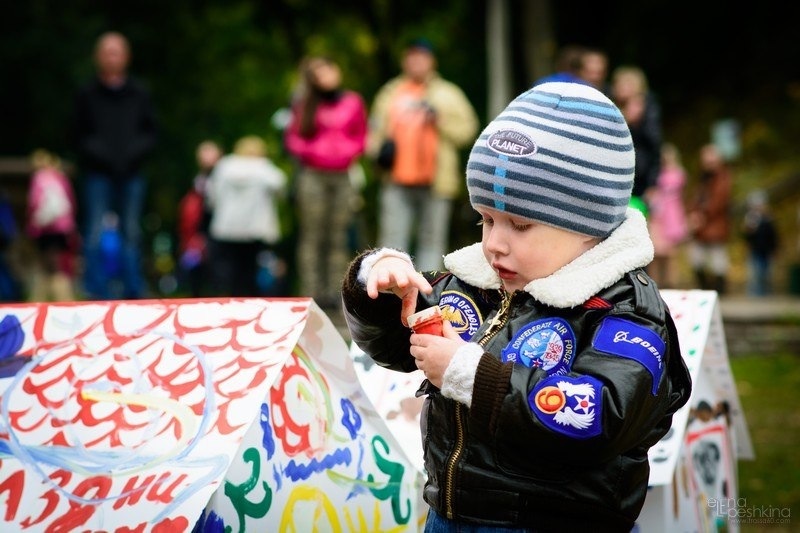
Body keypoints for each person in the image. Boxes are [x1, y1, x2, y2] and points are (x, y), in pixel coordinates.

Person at [341, 82, 692, 531]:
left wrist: (472, 374)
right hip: (449, 515)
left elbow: (601, 415)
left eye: (520, 225)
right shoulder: (476, 283)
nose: (493, 244)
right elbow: (390, 345)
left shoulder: (625, 309)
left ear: (590, 224)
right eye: (485, 219)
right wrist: (377, 281)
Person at [369, 38, 479, 271]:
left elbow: (468, 129)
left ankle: (425, 296)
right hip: (396, 179)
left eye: (422, 56)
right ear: (404, 61)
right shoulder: (390, 92)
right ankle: (390, 296)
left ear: (432, 61)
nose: (417, 61)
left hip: (436, 181)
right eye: (412, 56)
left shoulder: (449, 93)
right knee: (391, 242)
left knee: (432, 242)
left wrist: (440, 121)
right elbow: (374, 132)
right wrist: (377, 154)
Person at [72, 31, 158, 300]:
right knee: (94, 231)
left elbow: (151, 133)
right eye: (107, 51)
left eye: (116, 51)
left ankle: (134, 288)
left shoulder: (140, 93)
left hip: (132, 173)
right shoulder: (86, 94)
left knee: (131, 231)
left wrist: (132, 155)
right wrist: (101, 156)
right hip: (97, 173)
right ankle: (95, 289)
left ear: (126, 57)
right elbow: (77, 135)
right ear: (98, 57)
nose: (112, 57)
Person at [284, 55, 368, 309]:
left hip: (342, 176)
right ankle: (310, 292)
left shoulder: (352, 102)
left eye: (328, 69)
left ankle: (336, 292)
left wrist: (346, 152)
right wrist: (314, 152)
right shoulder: (305, 104)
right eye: (319, 73)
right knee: (313, 235)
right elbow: (293, 139)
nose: (326, 76)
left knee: (338, 235)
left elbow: (362, 134)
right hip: (313, 176)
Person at [205, 135, 287, 297]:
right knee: (250, 268)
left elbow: (211, 195)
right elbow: (281, 185)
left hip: (226, 228)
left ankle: (231, 297)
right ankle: (250, 298)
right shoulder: (264, 167)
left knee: (231, 268)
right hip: (254, 230)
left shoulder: (224, 166)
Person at [25, 149, 79, 302]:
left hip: (45, 230)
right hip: (63, 229)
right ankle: (62, 298)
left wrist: (31, 226)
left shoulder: (39, 179)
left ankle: (45, 299)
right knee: (56, 265)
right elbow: (71, 202)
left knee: (48, 267)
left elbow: (34, 203)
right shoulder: (60, 178)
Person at [610, 65, 663, 214]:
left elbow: (654, 147)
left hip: (641, 180)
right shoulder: (610, 106)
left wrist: (653, 184)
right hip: (616, 178)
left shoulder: (648, 108)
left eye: (625, 84)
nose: (620, 88)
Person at [177, 140, 222, 297]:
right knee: (197, 266)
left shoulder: (223, 177)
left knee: (216, 266)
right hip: (198, 229)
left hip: (217, 228)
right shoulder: (198, 179)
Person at [687, 143, 734, 295]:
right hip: (700, 228)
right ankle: (707, 292)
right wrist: (693, 214)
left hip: (715, 225)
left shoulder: (723, 177)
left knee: (718, 262)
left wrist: (701, 215)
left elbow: (719, 201)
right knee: (696, 260)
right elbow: (695, 199)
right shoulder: (702, 178)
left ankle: (720, 294)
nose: (708, 162)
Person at [646, 142, 689, 288]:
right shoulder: (657, 172)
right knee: (656, 255)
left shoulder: (677, 174)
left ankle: (671, 284)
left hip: (671, 218)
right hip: (658, 218)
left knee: (670, 256)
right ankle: (656, 284)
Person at [741, 189, 779, 296]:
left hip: (766, 250)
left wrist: (774, 249)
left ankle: (767, 293)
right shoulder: (750, 219)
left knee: (767, 274)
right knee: (754, 274)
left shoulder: (769, 219)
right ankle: (755, 294)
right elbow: (747, 237)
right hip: (755, 250)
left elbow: (773, 236)